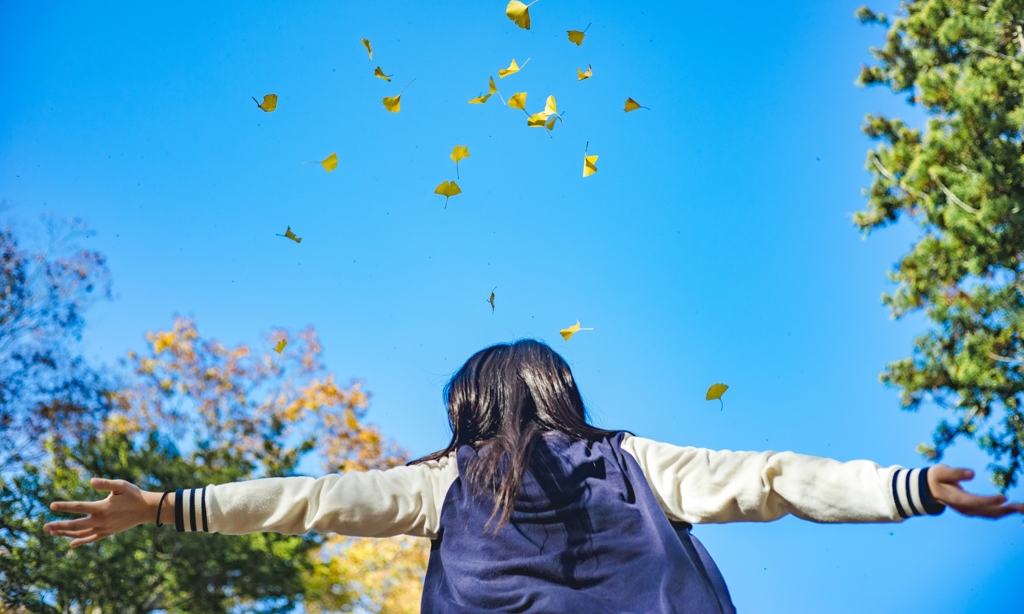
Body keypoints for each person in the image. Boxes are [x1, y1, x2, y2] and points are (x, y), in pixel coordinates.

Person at [44, 339, 1023, 613]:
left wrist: (165, 505)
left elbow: (312, 497)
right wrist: (907, 484)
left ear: (471, 405)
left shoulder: (446, 479)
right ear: (558, 390)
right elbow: (769, 477)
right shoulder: (636, 457)